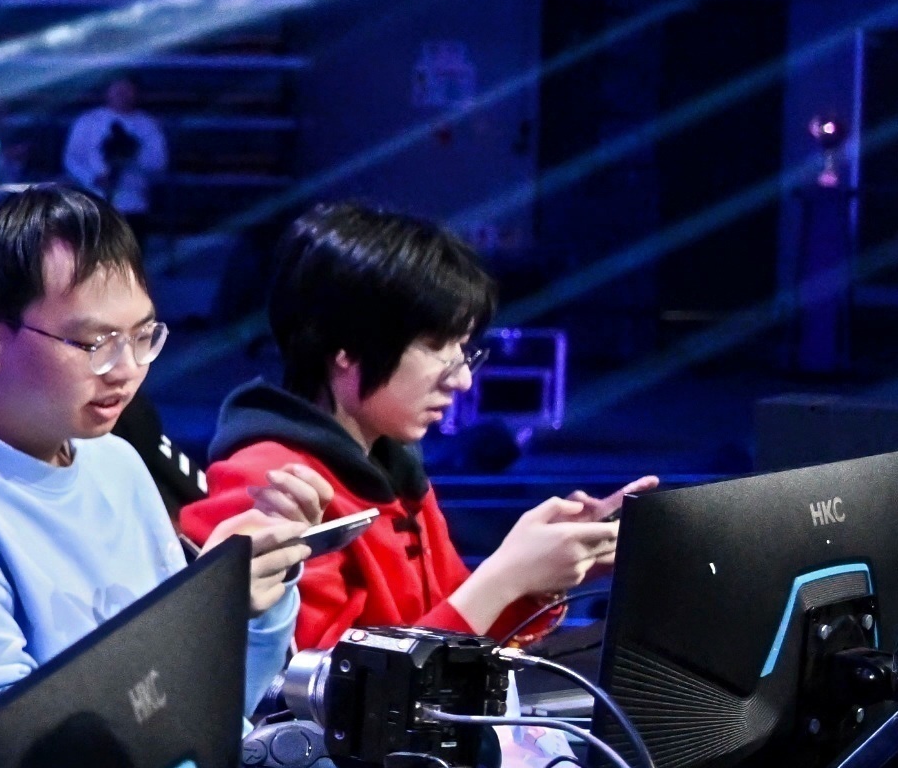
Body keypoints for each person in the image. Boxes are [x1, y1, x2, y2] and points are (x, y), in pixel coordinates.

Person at [0, 187, 325, 739]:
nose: (127, 370)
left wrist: (249, 602)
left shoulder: (115, 461)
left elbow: (217, 712)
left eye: (143, 336)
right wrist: (201, 612)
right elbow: (4, 755)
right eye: (94, 343)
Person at [177, 203, 650, 649]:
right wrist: (506, 575)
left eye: (464, 350)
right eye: (438, 348)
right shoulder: (271, 483)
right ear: (347, 347)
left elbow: (456, 632)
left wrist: (541, 574)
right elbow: (323, 690)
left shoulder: (393, 466)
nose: (462, 379)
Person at [64, 76, 167, 219]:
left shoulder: (148, 124)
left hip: (133, 203)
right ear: (107, 91)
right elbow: (72, 158)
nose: (122, 93)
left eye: (127, 89)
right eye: (117, 88)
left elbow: (158, 162)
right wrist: (93, 178)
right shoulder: (88, 120)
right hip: (92, 203)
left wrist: (131, 160)